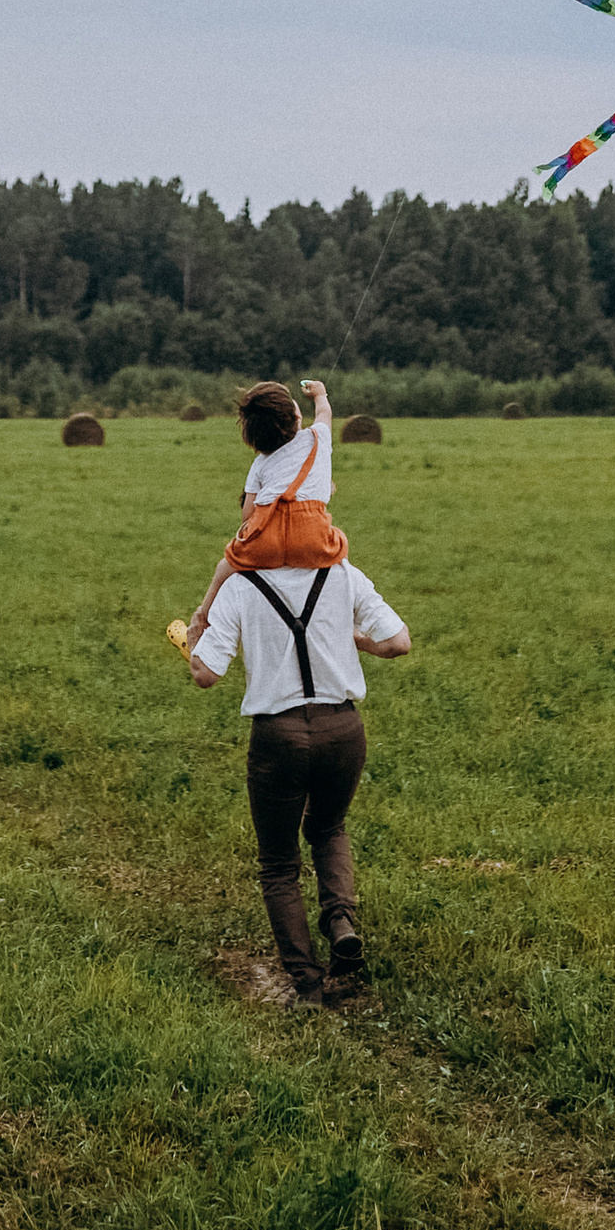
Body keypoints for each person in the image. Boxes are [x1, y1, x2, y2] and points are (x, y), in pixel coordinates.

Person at [189, 524, 410, 1006]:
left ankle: (307, 984)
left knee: (278, 862)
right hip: (344, 731)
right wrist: (358, 644)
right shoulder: (342, 573)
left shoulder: (239, 586)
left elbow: (206, 674)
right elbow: (398, 642)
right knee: (329, 828)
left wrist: (193, 639)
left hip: (279, 737)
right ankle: (340, 922)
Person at [183, 376, 343, 665]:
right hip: (314, 538)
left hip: (266, 542)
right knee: (341, 564)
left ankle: (201, 622)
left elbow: (249, 514)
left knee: (225, 566)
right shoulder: (318, 437)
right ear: (297, 416)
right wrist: (320, 394)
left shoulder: (260, 463)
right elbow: (324, 413)